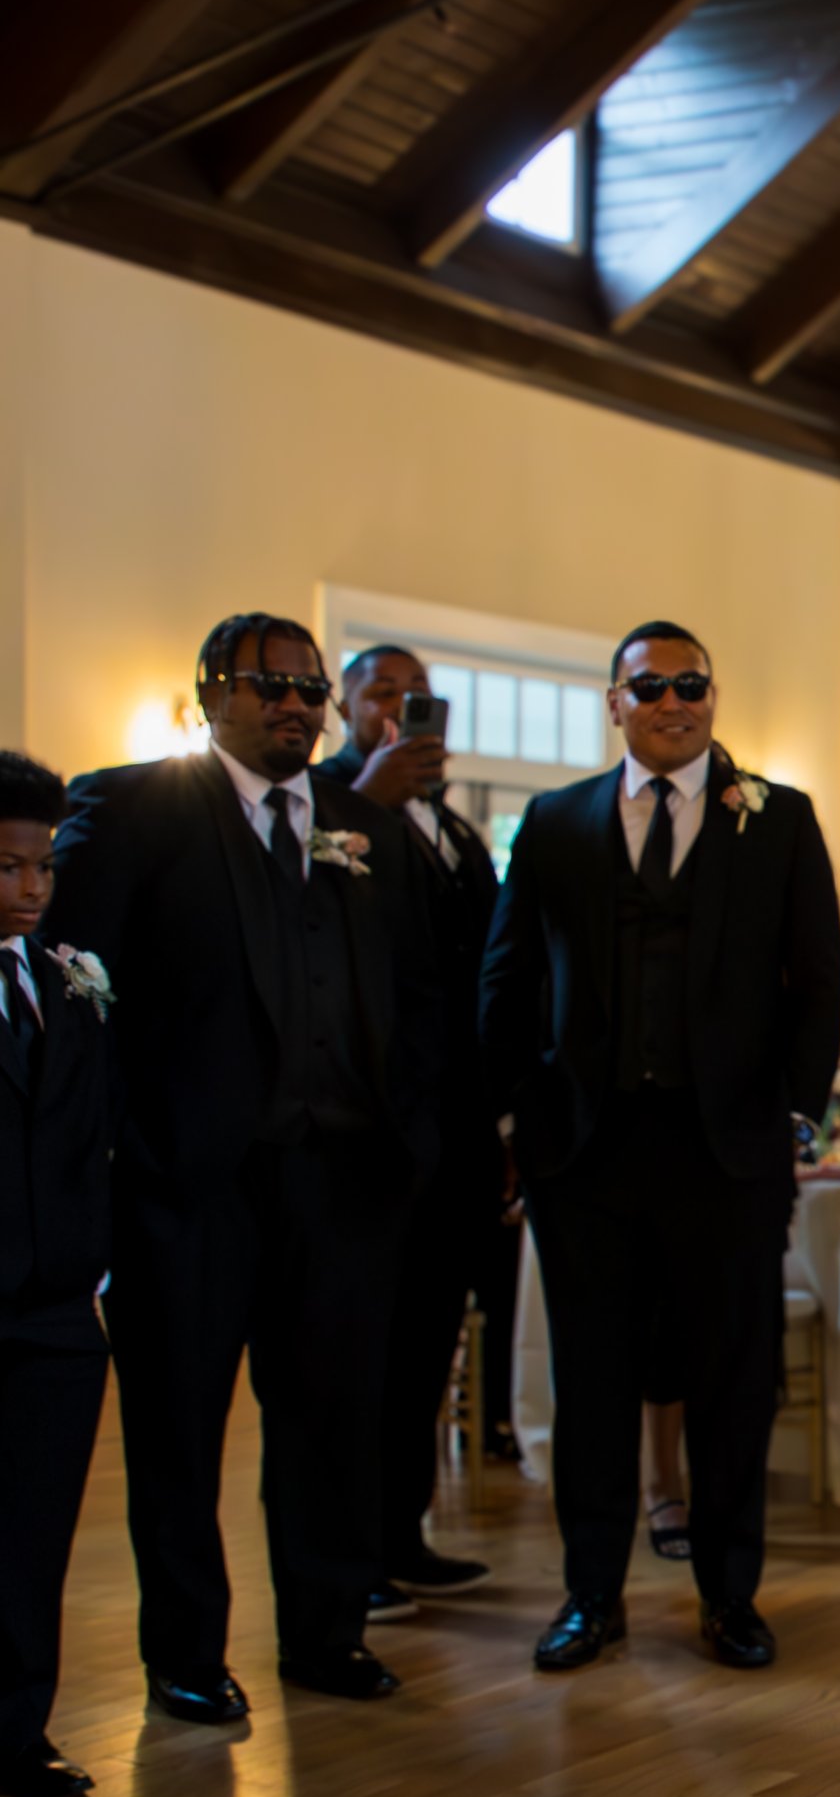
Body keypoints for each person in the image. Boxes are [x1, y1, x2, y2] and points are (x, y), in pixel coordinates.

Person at [49, 616, 441, 1720]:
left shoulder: (368, 825)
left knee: (331, 1424)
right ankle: (184, 1652)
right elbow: (80, 991)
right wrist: (122, 1148)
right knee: (177, 1431)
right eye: (270, 685)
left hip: (341, 1183)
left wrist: (406, 1142)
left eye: (310, 689)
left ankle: (327, 1634)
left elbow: (418, 998)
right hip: (190, 1185)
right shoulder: (131, 808)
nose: (296, 706)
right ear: (209, 692)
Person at [480, 623, 840, 1672]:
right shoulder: (553, 824)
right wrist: (515, 1115)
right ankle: (590, 1596)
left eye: (691, 684)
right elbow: (505, 979)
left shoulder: (778, 820)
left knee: (734, 1379)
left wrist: (795, 1112)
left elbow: (814, 982)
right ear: (615, 702)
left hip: (727, 1151)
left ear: (713, 698)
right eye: (651, 686)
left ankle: (730, 1597)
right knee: (591, 1380)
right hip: (584, 1154)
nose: (672, 701)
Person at [314, 644, 502, 1613]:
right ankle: (348, 1556)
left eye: (415, 694)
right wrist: (369, 803)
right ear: (343, 705)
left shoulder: (461, 835)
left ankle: (403, 1532)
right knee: (360, 1355)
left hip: (457, 1139)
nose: (399, 706)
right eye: (379, 690)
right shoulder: (321, 808)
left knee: (429, 1343)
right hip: (368, 1135)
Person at [0, 757, 115, 1797]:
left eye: (41, 867)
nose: (32, 889)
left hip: (56, 1308)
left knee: (35, 1533)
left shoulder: (63, 978)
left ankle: (15, 1727)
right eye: (6, 867)